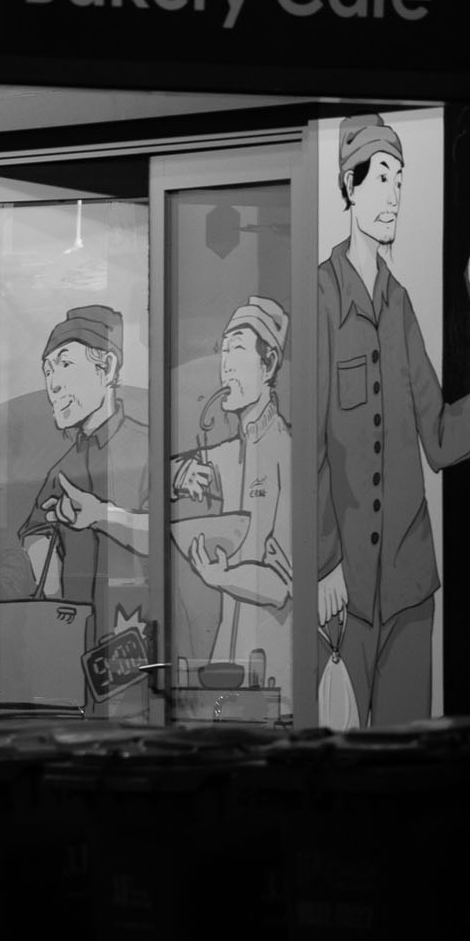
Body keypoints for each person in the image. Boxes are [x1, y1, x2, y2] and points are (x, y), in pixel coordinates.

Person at [315, 114, 470, 725]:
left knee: (408, 768)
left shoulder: (401, 302)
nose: (393, 195)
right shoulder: (322, 298)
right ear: (349, 185)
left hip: (410, 590)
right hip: (343, 593)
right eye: (382, 177)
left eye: (401, 180)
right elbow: (309, 442)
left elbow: (437, 435)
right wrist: (325, 560)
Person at [16, 304, 150, 711]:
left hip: (137, 639)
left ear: (107, 368)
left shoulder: (148, 449)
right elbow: (33, 537)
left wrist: (100, 516)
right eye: (48, 370)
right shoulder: (62, 469)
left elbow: (173, 535)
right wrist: (45, 553)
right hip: (76, 653)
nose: (52, 383)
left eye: (65, 364)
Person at [173, 297, 292, 696]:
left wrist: (220, 577)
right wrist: (183, 472)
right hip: (231, 669)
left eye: (237, 349)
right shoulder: (232, 451)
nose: (225, 363)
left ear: (270, 363)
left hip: (274, 672)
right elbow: (163, 470)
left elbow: (282, 584)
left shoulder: (287, 452)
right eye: (222, 350)